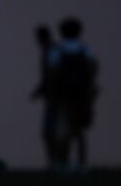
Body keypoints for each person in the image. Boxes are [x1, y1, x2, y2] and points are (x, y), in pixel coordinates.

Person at [49, 17, 99, 172]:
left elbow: (52, 73)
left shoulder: (57, 51)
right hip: (82, 97)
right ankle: (81, 164)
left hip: (63, 97)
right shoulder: (86, 50)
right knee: (79, 132)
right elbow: (93, 71)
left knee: (63, 131)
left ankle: (63, 163)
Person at [30, 25, 59, 170]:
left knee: (51, 133)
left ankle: (55, 163)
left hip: (56, 98)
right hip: (53, 97)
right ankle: (55, 163)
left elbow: (52, 74)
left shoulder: (51, 51)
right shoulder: (51, 51)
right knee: (52, 133)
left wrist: (40, 90)